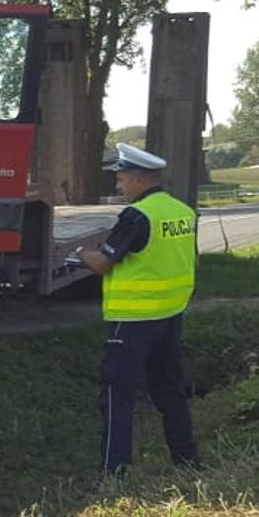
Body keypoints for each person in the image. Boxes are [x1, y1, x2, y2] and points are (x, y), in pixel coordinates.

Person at [77, 143, 202, 478]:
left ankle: (113, 472)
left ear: (136, 178)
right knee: (170, 390)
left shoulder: (137, 216)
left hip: (133, 321)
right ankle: (187, 461)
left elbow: (103, 263)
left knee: (117, 395)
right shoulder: (182, 211)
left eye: (120, 180)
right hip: (170, 315)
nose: (118, 187)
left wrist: (80, 252)